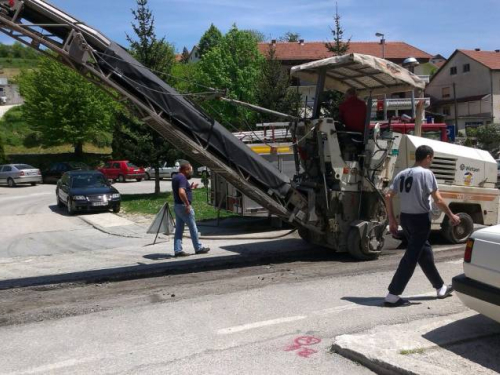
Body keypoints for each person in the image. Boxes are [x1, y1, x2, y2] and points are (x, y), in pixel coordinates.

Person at [384, 145, 460, 307]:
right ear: (427, 157)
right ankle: (393, 294)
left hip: (406, 219)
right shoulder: (427, 174)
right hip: (420, 220)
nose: (431, 161)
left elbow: (388, 195)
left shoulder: (402, 173)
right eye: (431, 158)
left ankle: (440, 287)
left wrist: (391, 219)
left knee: (423, 253)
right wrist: (451, 215)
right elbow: (438, 200)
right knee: (411, 256)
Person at [172, 160, 210, 257]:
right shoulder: (182, 178)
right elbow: (181, 192)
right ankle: (198, 248)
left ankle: (178, 250)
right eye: (190, 170)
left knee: (179, 230)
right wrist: (187, 204)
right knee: (193, 228)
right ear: (185, 169)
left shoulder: (176, 177)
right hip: (184, 207)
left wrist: (190, 188)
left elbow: (181, 190)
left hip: (177, 206)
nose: (191, 172)